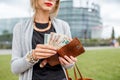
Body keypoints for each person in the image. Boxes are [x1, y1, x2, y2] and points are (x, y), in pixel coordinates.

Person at [11, 0, 77, 80]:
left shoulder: (63, 26)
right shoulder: (20, 28)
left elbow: (69, 66)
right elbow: (14, 68)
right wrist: (33, 56)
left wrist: (69, 62)